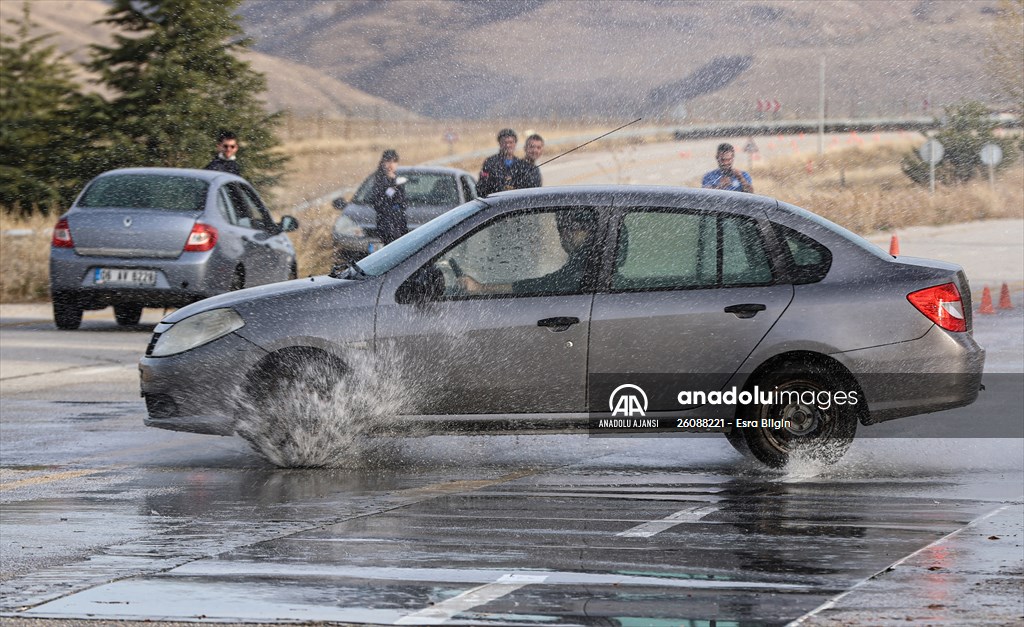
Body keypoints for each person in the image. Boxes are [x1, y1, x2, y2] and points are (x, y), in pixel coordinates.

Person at [458, 210, 598, 296]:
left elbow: (544, 285)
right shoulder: (589, 256)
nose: (563, 235)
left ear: (588, 229)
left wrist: (481, 288)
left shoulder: (588, 259)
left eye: (570, 229)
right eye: (560, 229)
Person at [476, 128, 532, 197]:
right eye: (505, 142)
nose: (508, 145)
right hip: (496, 201)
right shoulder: (490, 163)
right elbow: (482, 187)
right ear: (499, 143)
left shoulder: (521, 165)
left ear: (515, 144)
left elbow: (527, 188)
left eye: (511, 142)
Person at [370, 149, 408, 245]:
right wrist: (392, 187)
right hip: (386, 223)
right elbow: (379, 202)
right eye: (388, 161)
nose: (391, 165)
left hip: (399, 222)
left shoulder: (398, 180)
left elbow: (403, 202)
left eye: (394, 162)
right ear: (383, 163)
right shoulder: (379, 180)